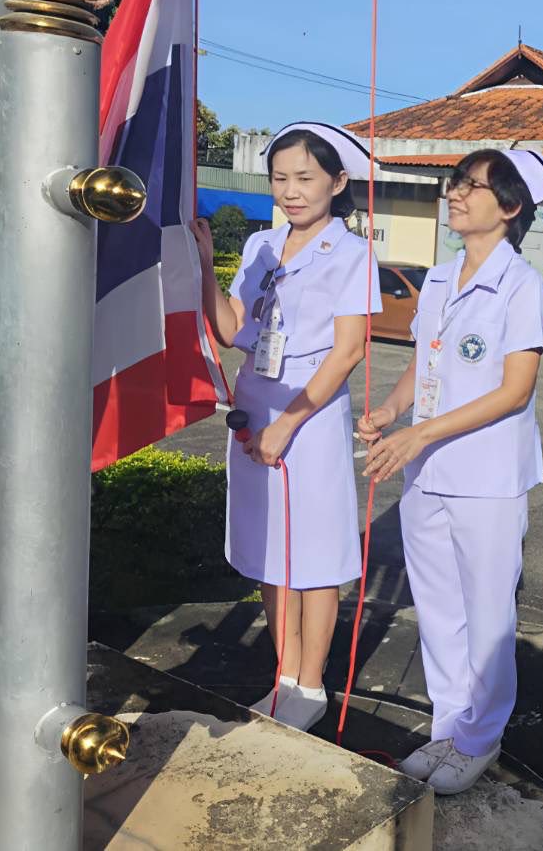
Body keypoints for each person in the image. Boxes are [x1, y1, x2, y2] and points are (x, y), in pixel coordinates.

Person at [356, 147, 543, 795]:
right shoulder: (441, 278)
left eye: (471, 187)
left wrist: (419, 431)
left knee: (486, 610)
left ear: (509, 208)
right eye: (455, 184)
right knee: (439, 606)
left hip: (487, 475)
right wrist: (391, 413)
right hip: (427, 470)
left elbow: (512, 390)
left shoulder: (521, 285)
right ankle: (448, 725)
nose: (454, 195)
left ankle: (480, 735)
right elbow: (424, 365)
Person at [194, 122, 382, 732]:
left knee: (316, 554)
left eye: (305, 178)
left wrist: (291, 424)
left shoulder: (353, 254)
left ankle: (310, 683)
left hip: (311, 415)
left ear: (338, 181)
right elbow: (230, 328)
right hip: (256, 406)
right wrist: (202, 264)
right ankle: (283, 675)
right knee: (272, 551)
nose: (292, 191)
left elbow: (349, 350)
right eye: (280, 178)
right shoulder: (260, 247)